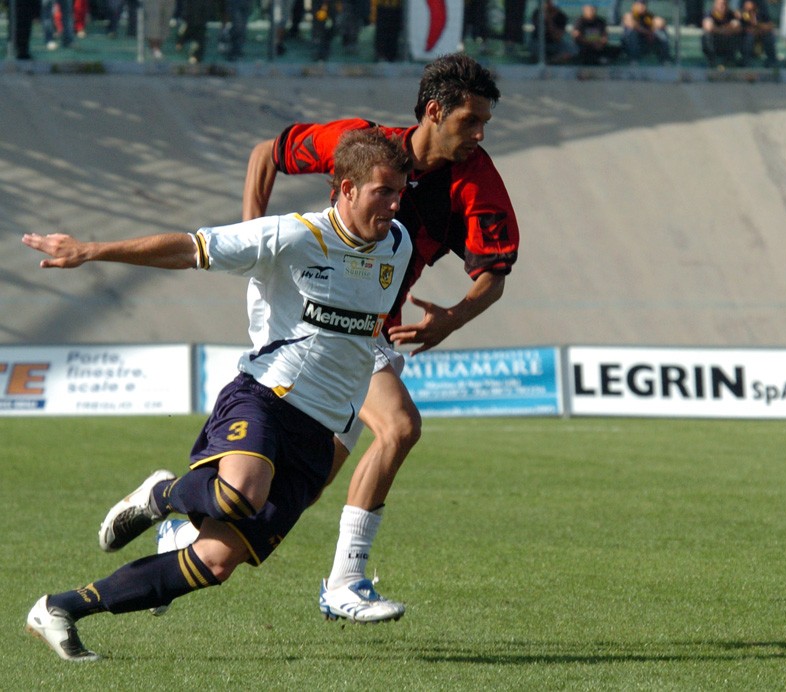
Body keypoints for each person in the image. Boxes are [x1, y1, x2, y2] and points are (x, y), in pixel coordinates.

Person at [23, 127, 414, 662]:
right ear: (345, 189)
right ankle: (162, 497)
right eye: (382, 192)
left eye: (400, 192)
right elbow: (190, 248)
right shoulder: (292, 236)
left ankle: (61, 607)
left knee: (213, 562)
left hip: (318, 433)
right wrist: (91, 250)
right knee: (240, 493)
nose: (394, 205)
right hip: (266, 395)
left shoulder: (398, 243)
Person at [157, 54, 520, 624]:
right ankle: (346, 582)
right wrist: (254, 241)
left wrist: (450, 317)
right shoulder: (362, 145)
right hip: (319, 323)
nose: (479, 135)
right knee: (400, 426)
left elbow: (493, 274)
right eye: (470, 121)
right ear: (433, 112)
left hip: (365, 330)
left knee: (313, 475)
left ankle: (184, 517)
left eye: (484, 124)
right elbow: (264, 155)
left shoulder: (477, 181)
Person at [621, 0, 672, 64]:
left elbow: (660, 22)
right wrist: (649, 32)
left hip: (645, 43)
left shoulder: (648, 16)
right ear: (634, 5)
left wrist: (656, 26)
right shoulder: (628, 15)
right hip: (631, 46)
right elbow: (633, 25)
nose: (641, 6)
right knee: (632, 32)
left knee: (661, 32)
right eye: (639, 4)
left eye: (643, 4)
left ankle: (665, 59)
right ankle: (633, 59)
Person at [532, 0, 576, 64]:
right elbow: (538, 32)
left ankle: (552, 61)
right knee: (535, 46)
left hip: (555, 44)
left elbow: (557, 37)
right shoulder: (538, 13)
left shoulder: (561, 16)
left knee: (572, 49)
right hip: (538, 43)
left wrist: (550, 20)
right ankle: (545, 62)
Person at [701, 0, 742, 68]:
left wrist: (717, 29)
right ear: (715, 4)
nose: (722, 6)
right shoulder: (710, 13)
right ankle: (712, 61)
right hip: (715, 43)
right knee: (706, 36)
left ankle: (730, 61)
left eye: (724, 4)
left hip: (726, 43)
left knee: (736, 36)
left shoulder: (731, 14)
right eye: (720, 4)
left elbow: (737, 28)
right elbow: (708, 27)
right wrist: (726, 29)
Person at [739, 0, 777, 68]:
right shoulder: (743, 13)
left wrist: (758, 26)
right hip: (746, 35)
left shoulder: (761, 10)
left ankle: (772, 61)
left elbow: (770, 25)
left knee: (769, 36)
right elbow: (743, 26)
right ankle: (746, 61)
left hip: (760, 32)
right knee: (749, 37)